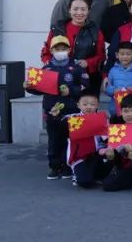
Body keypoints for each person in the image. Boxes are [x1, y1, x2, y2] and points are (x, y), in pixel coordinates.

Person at [28, 35, 88, 179]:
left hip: (71, 109)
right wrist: (28, 87)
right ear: (51, 50)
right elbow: (38, 89)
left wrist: (71, 91)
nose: (60, 51)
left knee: (70, 139)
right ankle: (55, 167)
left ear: (69, 49)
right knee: (54, 140)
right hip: (52, 110)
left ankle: (67, 166)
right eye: (57, 49)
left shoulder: (76, 67)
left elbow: (85, 85)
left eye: (63, 48)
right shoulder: (46, 68)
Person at [42, 0, 106, 87]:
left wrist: (88, 62)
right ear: (69, 10)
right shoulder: (58, 28)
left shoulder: (95, 31)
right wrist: (48, 62)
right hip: (58, 77)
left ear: (88, 11)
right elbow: (46, 51)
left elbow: (101, 56)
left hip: (86, 79)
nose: (79, 13)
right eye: (75, 9)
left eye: (83, 9)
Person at [64, 91, 106, 188]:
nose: (89, 107)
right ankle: (77, 174)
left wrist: (105, 148)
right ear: (78, 105)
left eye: (92, 104)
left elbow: (105, 138)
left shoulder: (101, 119)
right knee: (85, 182)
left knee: (109, 160)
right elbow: (60, 126)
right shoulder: (72, 119)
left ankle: (97, 175)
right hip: (79, 156)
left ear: (97, 105)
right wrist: (55, 117)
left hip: (96, 154)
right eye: (85, 104)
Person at [103, 41, 132, 118]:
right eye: (122, 54)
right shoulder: (113, 71)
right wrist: (114, 90)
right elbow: (107, 88)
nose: (125, 57)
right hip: (116, 109)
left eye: (128, 54)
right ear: (117, 55)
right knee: (117, 125)